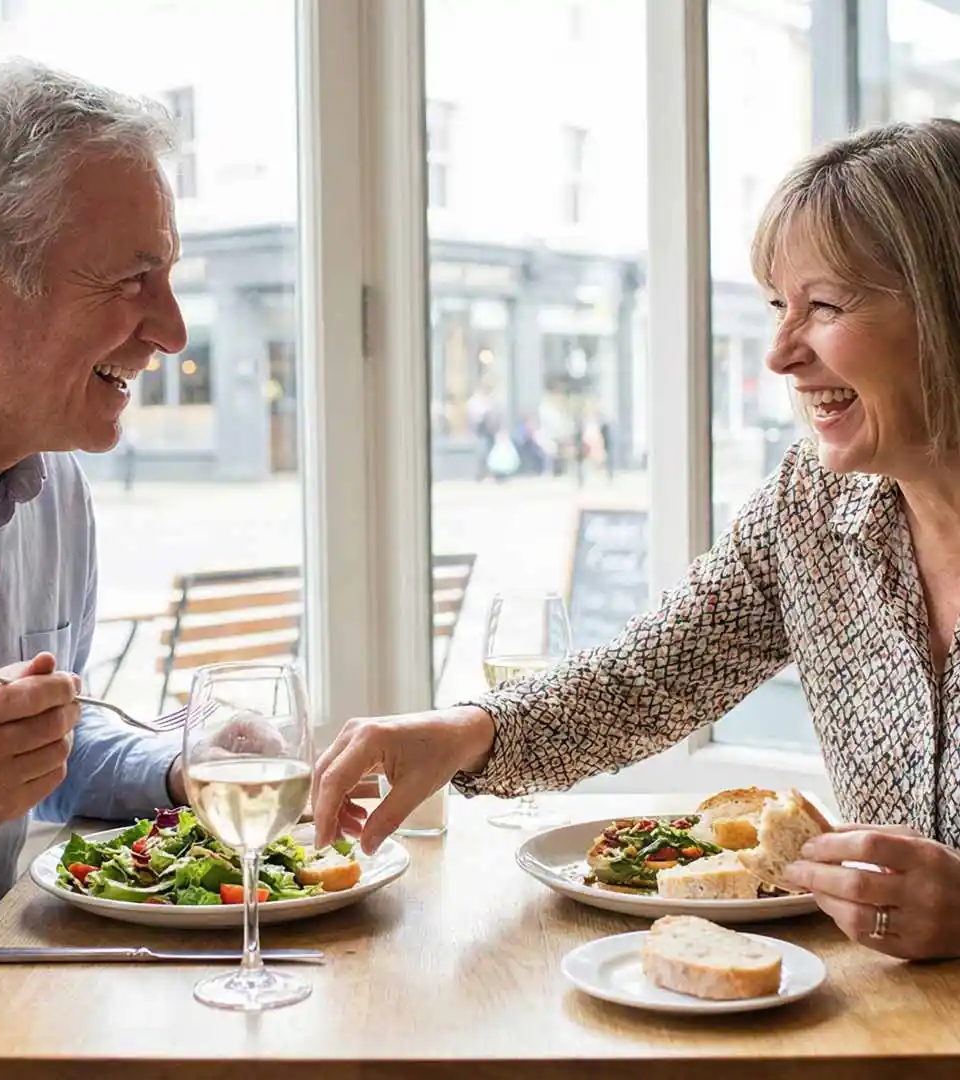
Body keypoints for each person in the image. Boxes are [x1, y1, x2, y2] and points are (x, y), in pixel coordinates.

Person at [313, 118, 960, 963]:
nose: (779, 355)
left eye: (825, 306)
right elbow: (649, 678)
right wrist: (465, 729)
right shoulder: (812, 503)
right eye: (777, 307)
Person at [0, 59, 192, 1029]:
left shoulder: (54, 484)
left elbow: (37, 749)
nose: (174, 333)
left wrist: (178, 768)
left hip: (0, 1025)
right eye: (133, 280)